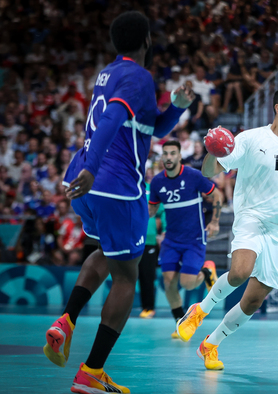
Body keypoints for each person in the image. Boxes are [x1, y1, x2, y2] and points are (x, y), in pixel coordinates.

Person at [42, 11, 195, 394]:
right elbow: (111, 119)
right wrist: (93, 168)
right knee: (127, 276)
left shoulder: (108, 73)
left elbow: (154, 128)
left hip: (86, 186)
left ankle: (66, 320)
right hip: (112, 183)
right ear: (146, 42)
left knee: (106, 254)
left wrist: (175, 107)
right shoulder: (139, 76)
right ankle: (92, 372)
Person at [176, 87, 278, 370]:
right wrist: (212, 150)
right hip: (252, 217)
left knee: (253, 301)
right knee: (239, 272)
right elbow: (210, 171)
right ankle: (200, 310)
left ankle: (211, 344)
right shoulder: (250, 139)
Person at [148, 140, 223, 337]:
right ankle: (180, 322)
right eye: (165, 153)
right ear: (162, 157)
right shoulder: (157, 182)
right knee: (168, 282)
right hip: (171, 240)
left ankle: (206, 271)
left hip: (194, 239)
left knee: (188, 283)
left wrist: (214, 222)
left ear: (180, 156)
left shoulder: (193, 176)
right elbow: (151, 210)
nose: (169, 157)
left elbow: (217, 196)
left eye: (173, 153)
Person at [138, 170, 166, 320]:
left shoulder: (152, 190)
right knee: (128, 277)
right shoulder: (130, 189)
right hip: (130, 241)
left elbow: (163, 212)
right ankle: (124, 307)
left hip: (149, 241)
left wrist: (165, 230)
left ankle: (149, 308)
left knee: (147, 276)